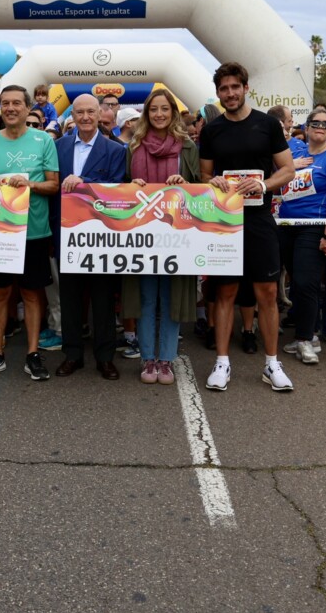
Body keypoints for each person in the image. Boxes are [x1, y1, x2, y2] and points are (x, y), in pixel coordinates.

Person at [199, 62, 295, 393]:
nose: (229, 93)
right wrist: (211, 182)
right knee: (225, 292)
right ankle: (222, 363)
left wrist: (265, 185)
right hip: (225, 221)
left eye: (234, 87)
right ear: (218, 94)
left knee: (267, 292)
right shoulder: (211, 131)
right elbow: (204, 176)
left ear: (245, 88)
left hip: (259, 219)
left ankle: (272, 363)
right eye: (223, 89)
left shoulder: (267, 124)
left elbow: (289, 169)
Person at [0, 85, 59, 381]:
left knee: (32, 294)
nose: (10, 108)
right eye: (5, 103)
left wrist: (29, 184)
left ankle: (32, 353)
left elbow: (53, 185)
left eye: (16, 103)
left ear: (26, 107)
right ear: (0, 108)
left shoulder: (43, 141)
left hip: (34, 231)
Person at [125, 90, 201, 383]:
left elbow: (200, 185)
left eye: (164, 109)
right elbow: (119, 187)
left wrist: (186, 182)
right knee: (146, 297)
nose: (159, 114)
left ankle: (166, 360)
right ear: (146, 113)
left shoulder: (188, 146)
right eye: (153, 109)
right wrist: (130, 184)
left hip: (177, 233)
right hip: (142, 232)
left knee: (171, 297)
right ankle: (147, 359)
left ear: (172, 112)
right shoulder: (133, 145)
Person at [53, 94, 127, 379]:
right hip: (66, 234)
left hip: (101, 237)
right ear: (72, 114)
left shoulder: (115, 150)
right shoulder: (57, 147)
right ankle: (72, 354)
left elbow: (118, 187)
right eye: (79, 112)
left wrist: (85, 183)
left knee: (103, 299)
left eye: (90, 112)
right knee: (70, 297)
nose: (85, 117)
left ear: (100, 114)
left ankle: (105, 357)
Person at [279, 108, 326, 363]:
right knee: (296, 281)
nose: (320, 126)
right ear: (306, 128)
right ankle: (312, 332)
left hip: (313, 226)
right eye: (314, 122)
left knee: (307, 282)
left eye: (325, 124)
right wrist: (290, 166)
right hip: (286, 225)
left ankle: (305, 339)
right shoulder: (293, 152)